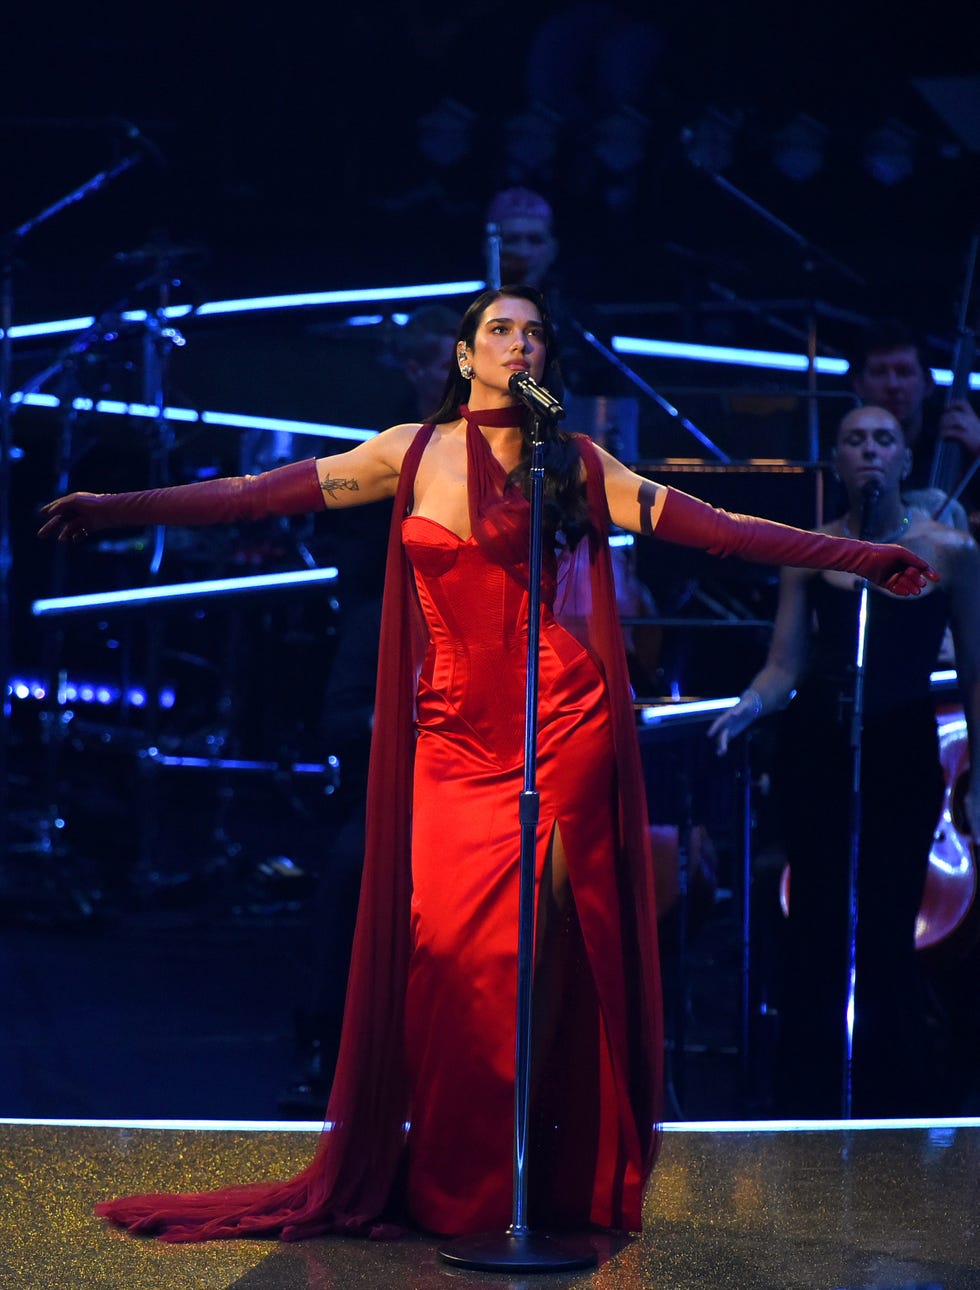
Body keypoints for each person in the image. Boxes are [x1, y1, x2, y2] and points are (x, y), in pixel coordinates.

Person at [37, 286, 935, 1243]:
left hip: (563, 721)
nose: (520, 344)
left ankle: (526, 1182)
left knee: (546, 947)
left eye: (534, 334)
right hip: (454, 740)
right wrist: (116, 506)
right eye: (500, 330)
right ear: (465, 356)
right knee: (452, 955)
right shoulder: (407, 452)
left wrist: (858, 554)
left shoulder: (574, 464)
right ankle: (458, 1177)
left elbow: (712, 526)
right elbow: (259, 492)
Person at [708, 404, 980, 1118]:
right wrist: (749, 705)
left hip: (901, 747)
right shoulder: (812, 549)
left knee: (890, 925)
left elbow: (977, 671)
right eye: (855, 441)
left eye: (883, 440)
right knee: (818, 922)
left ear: (904, 461)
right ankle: (809, 1101)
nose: (869, 451)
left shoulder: (950, 551)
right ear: (837, 460)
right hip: (819, 749)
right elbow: (784, 664)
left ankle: (895, 1102)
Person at [848, 318, 980, 530]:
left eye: (904, 372)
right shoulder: (848, 452)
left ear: (928, 383)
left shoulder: (959, 441)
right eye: (879, 372)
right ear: (858, 384)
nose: (892, 385)